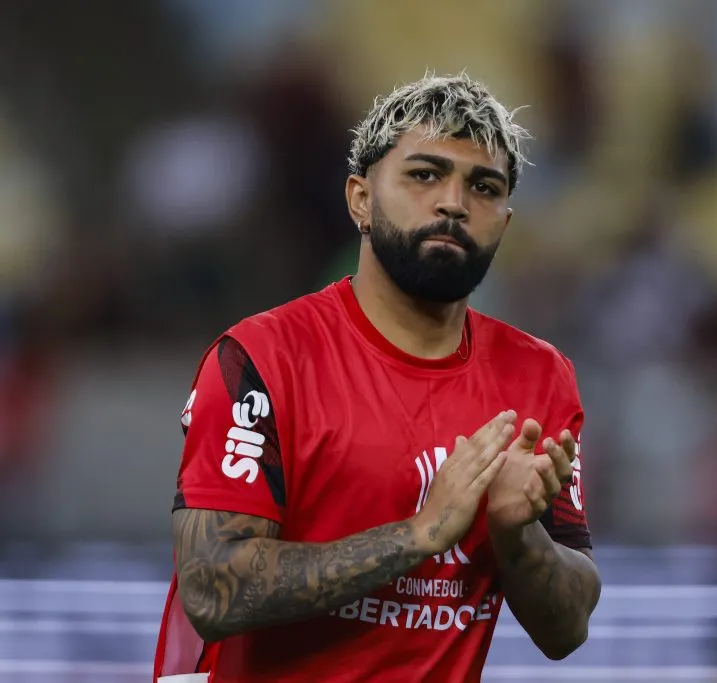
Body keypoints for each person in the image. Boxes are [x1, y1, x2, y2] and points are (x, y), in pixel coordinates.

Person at [153, 73, 602, 683]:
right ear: (360, 199)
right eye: (424, 175)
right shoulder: (263, 358)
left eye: (484, 187)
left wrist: (517, 535)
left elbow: (567, 629)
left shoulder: (539, 378)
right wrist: (418, 535)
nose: (454, 203)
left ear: (505, 220)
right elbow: (212, 589)